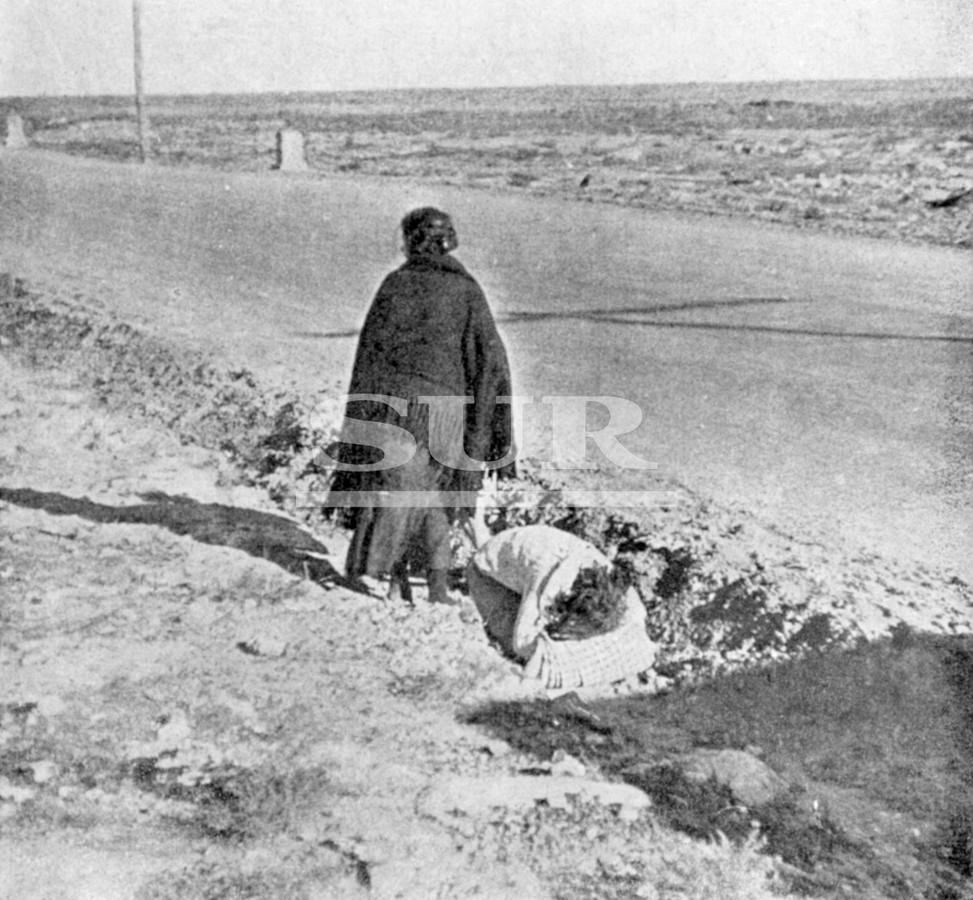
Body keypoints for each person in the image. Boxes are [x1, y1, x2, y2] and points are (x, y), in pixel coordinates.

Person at [327, 207, 515, 604]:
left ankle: (387, 578)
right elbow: (491, 363)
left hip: (391, 409)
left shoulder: (393, 285)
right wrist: (493, 432)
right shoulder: (466, 290)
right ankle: (435, 588)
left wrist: (358, 430)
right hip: (444, 414)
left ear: (409, 242)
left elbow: (368, 360)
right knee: (437, 499)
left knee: (398, 492)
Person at [465, 486, 657, 689]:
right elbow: (523, 643)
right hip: (488, 575)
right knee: (519, 653)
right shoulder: (550, 585)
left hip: (533, 553)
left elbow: (635, 614)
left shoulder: (607, 576)